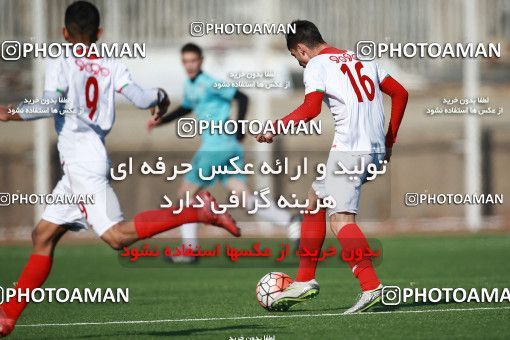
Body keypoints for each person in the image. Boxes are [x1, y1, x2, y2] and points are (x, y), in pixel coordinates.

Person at [0, 2, 240, 336]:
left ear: (64, 33)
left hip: (82, 162)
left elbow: (52, 103)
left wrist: (11, 112)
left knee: (116, 236)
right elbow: (143, 99)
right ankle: (7, 315)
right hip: (84, 162)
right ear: (99, 33)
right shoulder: (112, 64)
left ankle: (195, 211)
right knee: (43, 235)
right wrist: (160, 97)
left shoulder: (61, 62)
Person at [256, 20, 408, 313]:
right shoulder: (362, 57)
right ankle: (304, 280)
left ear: (301, 49)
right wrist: (388, 142)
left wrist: (275, 126)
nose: (299, 62)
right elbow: (401, 93)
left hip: (349, 152)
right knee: (315, 201)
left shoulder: (316, 65)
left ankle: (371, 287)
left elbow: (311, 109)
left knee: (341, 221)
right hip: (374, 149)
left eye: (294, 56)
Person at [147, 43, 301, 262]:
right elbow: (187, 107)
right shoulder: (190, 85)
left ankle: (189, 251)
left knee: (185, 195)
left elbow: (242, 97)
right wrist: (160, 121)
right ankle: (292, 221)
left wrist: (239, 127)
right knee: (243, 198)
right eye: (186, 61)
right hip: (227, 148)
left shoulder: (210, 83)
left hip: (216, 147)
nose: (190, 65)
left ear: (201, 61)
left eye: (193, 60)